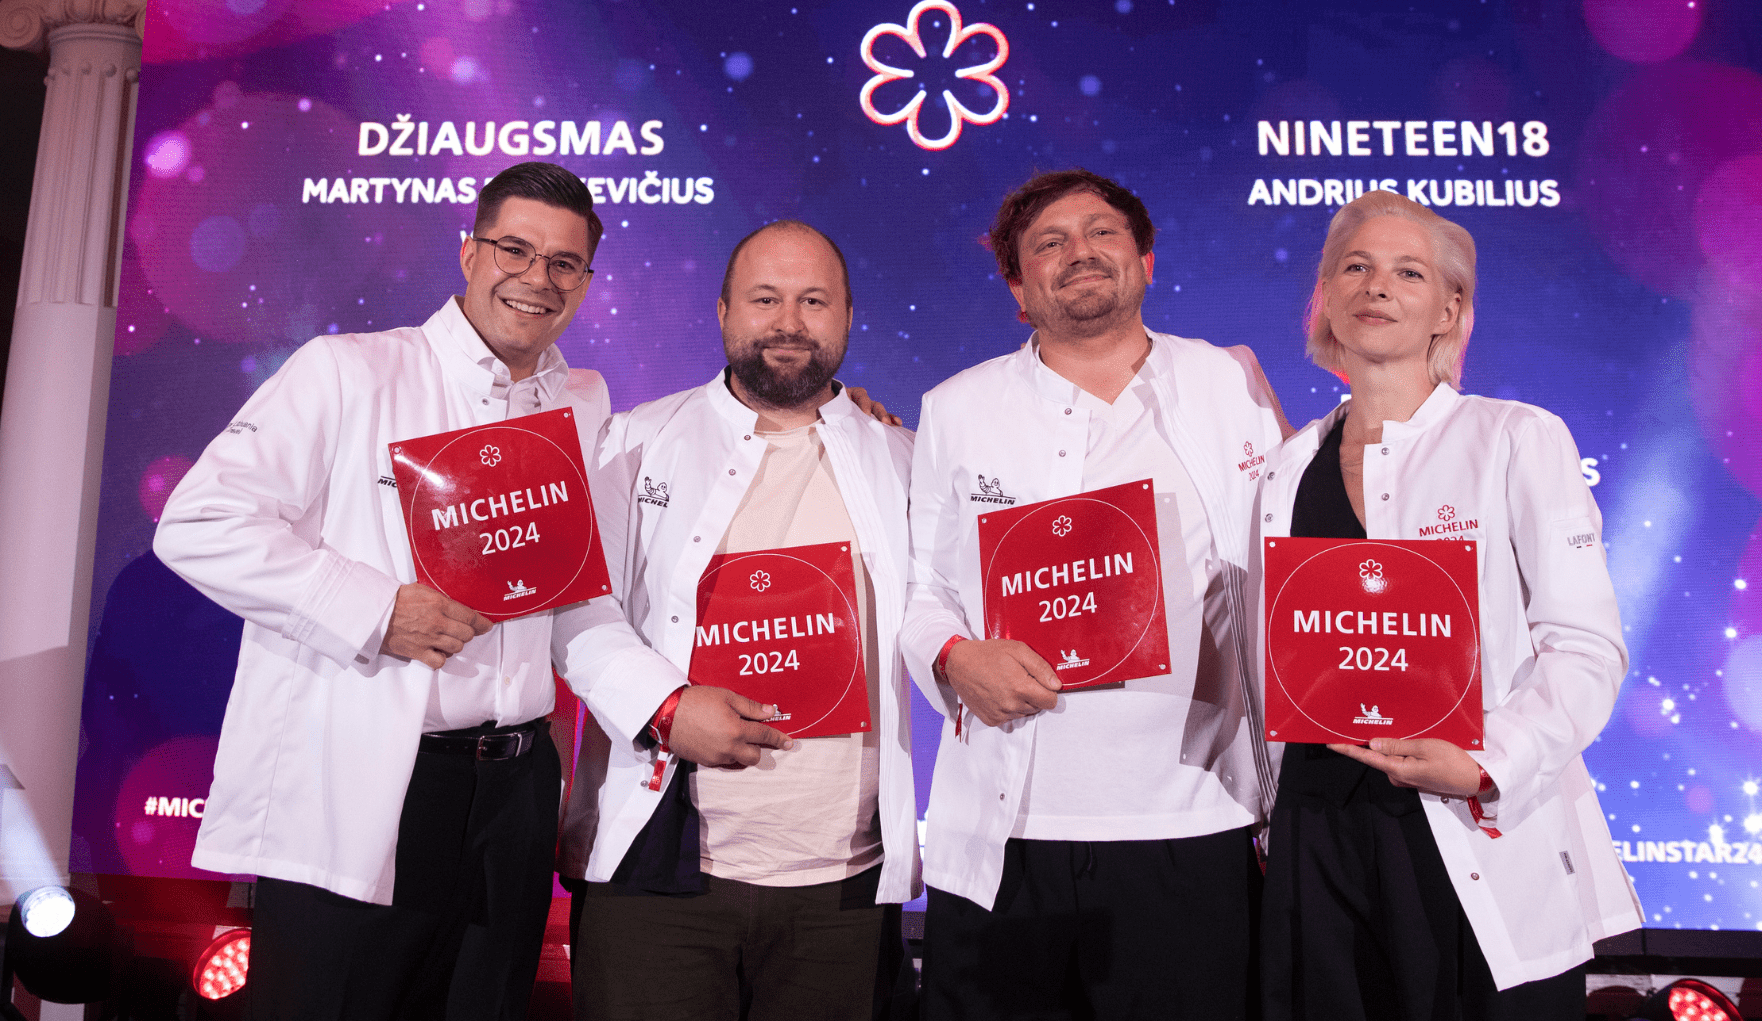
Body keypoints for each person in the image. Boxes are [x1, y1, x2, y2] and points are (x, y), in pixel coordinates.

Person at [154, 163, 690, 1019]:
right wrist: (376, 610)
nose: (537, 278)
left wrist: (846, 413)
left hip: (515, 792)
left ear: (586, 283)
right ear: (470, 252)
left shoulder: (582, 401)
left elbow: (575, 588)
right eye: (515, 250)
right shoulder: (348, 372)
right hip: (372, 778)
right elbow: (199, 523)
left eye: (563, 263)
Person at [902, 168, 1290, 1020]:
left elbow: (1296, 558)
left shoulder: (1231, 384)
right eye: (1050, 242)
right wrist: (955, 656)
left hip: (1196, 824)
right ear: (1019, 290)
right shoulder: (957, 408)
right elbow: (920, 588)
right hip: (1010, 836)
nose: (1079, 251)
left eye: (1102, 232)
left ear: (1146, 262)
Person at [1257, 190, 1641, 1020]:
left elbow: (1585, 647)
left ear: (1448, 309)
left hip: (1468, 819)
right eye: (1355, 267)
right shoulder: (1285, 468)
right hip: (1318, 833)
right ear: (1325, 298)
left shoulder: (1515, 438)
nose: (1376, 286)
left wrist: (1488, 762)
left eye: (1409, 272)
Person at [560, 220, 919, 1021]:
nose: (789, 322)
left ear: (847, 316)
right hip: (661, 872)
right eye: (765, 299)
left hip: (843, 882)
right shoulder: (635, 441)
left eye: (813, 301)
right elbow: (576, 605)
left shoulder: (905, 460)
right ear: (723, 312)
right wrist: (664, 708)